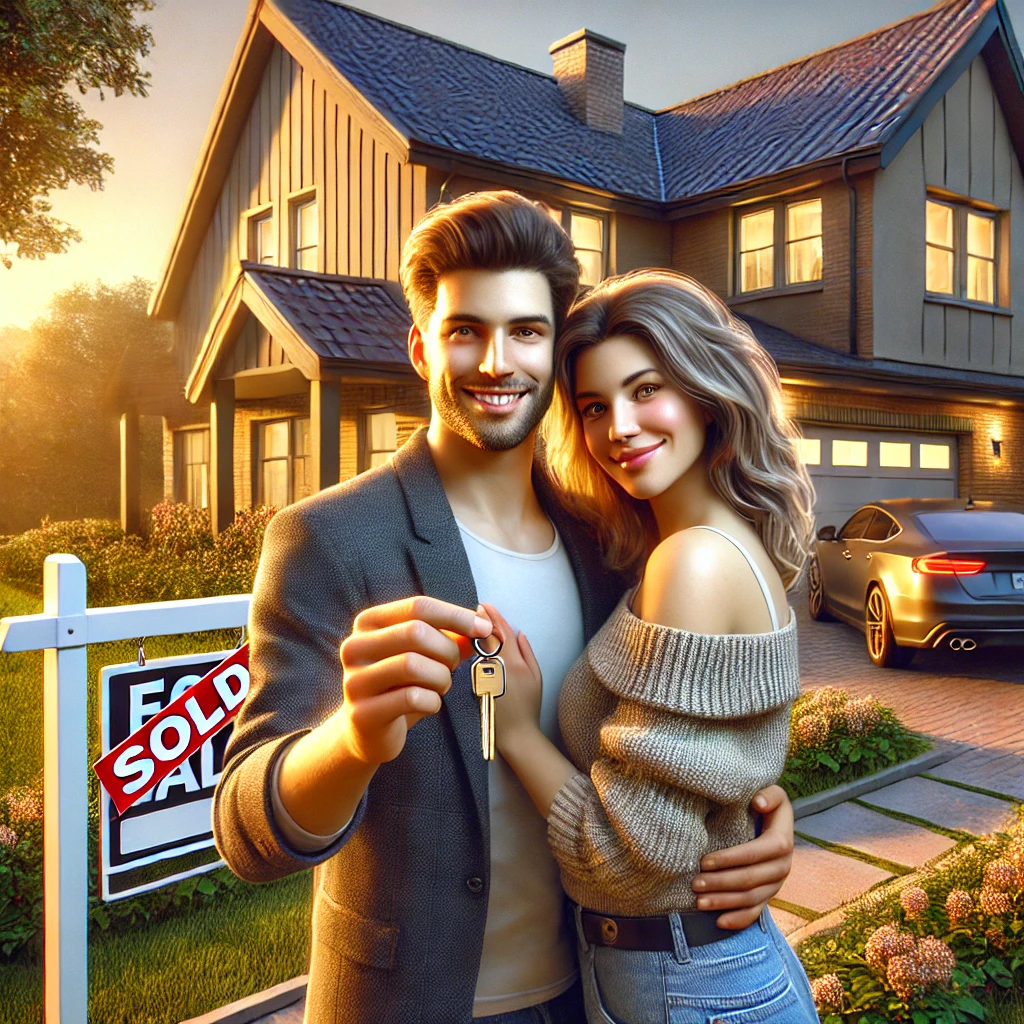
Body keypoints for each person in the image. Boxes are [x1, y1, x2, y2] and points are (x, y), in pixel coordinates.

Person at [212, 193, 798, 1024]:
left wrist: (757, 823)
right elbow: (246, 833)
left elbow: (678, 746)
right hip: (404, 1003)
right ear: (420, 347)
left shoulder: (612, 541)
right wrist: (350, 741)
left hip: (587, 997)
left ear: (556, 351)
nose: (497, 361)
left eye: (525, 330)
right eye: (465, 331)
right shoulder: (329, 539)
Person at [487, 269, 819, 1024]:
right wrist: (768, 814)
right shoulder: (701, 549)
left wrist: (514, 730)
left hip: (690, 985)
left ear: (706, 392)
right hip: (694, 974)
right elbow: (711, 773)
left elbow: (623, 861)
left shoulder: (693, 562)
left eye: (645, 390)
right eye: (595, 407)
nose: (619, 429)